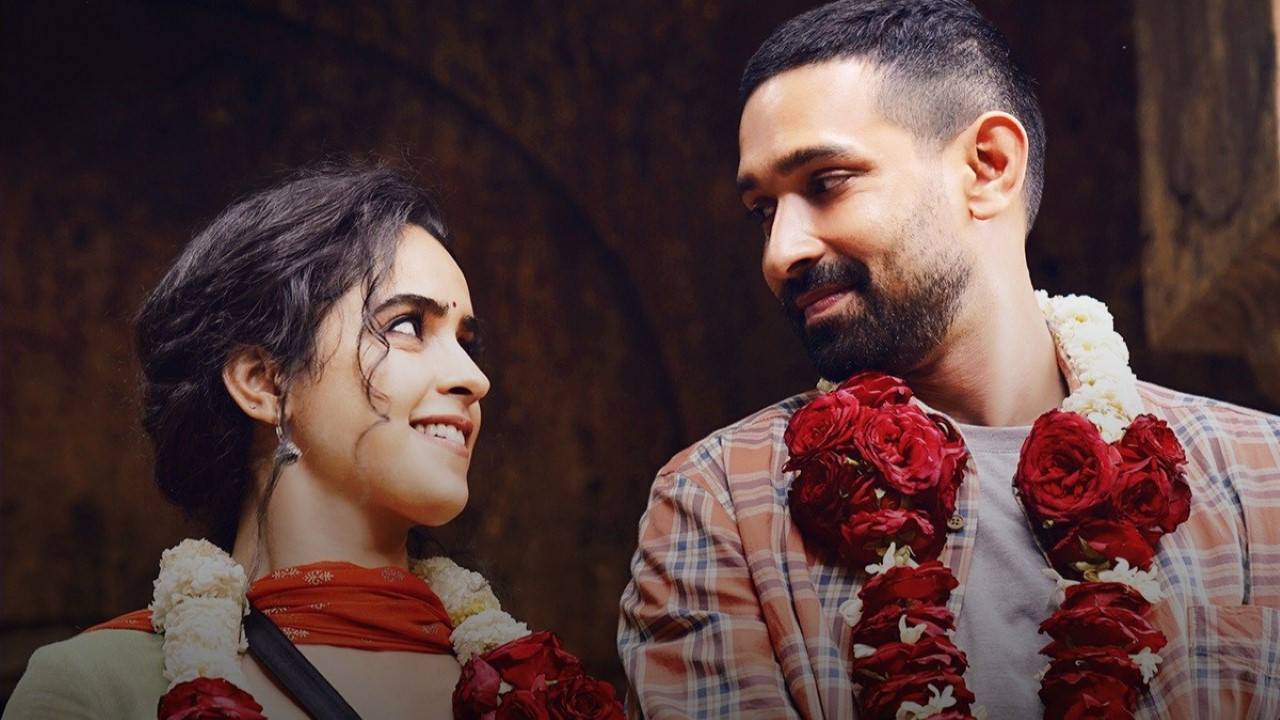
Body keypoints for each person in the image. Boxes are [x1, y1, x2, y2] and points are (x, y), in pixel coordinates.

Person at [617, 1, 1280, 719]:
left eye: (826, 182)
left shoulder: (1261, 477)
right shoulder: (721, 503)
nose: (780, 255)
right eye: (763, 212)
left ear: (988, 167)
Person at [6, 161, 622, 719]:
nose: (474, 378)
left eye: (466, 341)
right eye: (407, 326)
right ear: (265, 383)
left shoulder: (538, 693)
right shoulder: (99, 691)